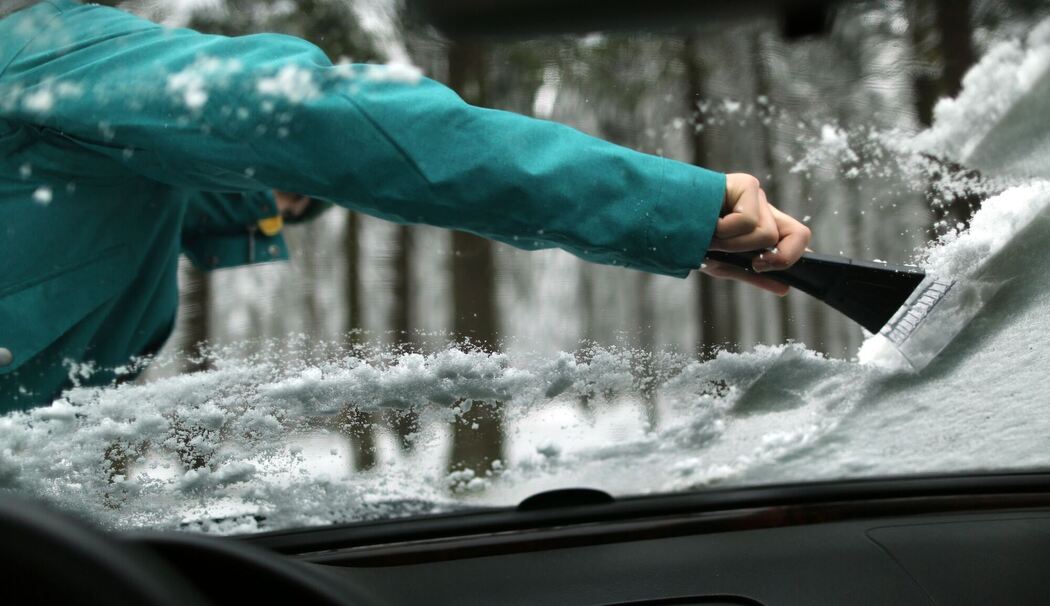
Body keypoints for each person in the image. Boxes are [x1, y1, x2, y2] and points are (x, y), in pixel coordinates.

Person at [0, 0, 810, 412]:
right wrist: (679, 206)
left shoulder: (43, 80)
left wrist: (279, 191)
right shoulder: (44, 49)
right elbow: (325, 119)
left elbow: (104, 199)